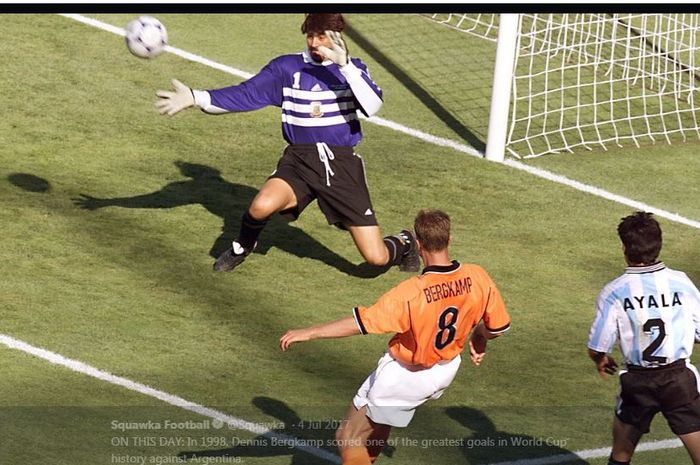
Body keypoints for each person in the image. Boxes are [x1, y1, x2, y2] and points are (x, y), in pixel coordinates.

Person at [154, 13, 418, 274]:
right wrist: (195, 97)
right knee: (260, 206)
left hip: (340, 166)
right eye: (311, 35)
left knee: (375, 257)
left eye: (322, 36)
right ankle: (241, 247)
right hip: (299, 161)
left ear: (337, 36)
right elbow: (245, 94)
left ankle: (406, 241)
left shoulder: (353, 69)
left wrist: (345, 65)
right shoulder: (286, 68)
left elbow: (373, 106)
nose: (315, 43)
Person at [280, 209, 511, 465]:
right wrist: (480, 335)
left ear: (418, 244)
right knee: (372, 437)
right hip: (444, 370)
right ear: (450, 239)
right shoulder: (477, 276)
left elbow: (362, 323)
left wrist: (310, 332)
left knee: (349, 437)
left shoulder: (412, 293)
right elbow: (498, 326)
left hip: (405, 374)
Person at [587, 211, 700, 465]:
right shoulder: (680, 282)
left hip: (637, 383)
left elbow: (597, 345)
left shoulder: (614, 291)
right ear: (658, 244)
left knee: (620, 455)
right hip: (679, 381)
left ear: (624, 247)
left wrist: (600, 360)